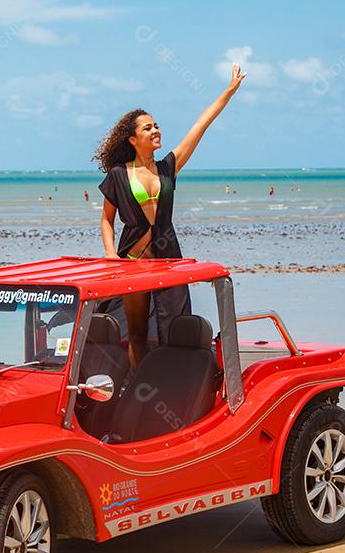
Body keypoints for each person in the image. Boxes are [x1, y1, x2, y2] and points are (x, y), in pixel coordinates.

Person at [95, 63, 246, 367]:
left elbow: (200, 126)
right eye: (147, 128)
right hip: (133, 263)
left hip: (168, 260)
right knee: (137, 332)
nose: (156, 130)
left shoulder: (168, 168)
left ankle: (170, 380)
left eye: (156, 125)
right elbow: (106, 220)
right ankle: (138, 386)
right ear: (133, 140)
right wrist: (111, 254)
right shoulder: (119, 175)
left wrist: (228, 92)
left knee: (174, 326)